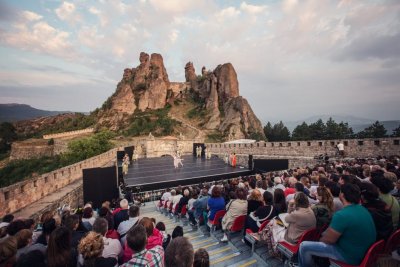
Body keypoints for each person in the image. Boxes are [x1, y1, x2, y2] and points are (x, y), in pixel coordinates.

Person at [298, 183, 376, 267]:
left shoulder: (342, 215)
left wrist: (320, 240)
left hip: (349, 256)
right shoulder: (363, 209)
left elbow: (328, 241)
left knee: (304, 246)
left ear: (342, 194)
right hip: (364, 253)